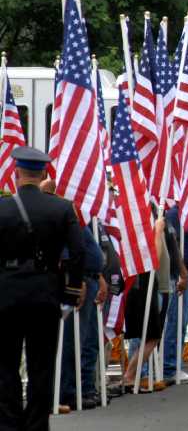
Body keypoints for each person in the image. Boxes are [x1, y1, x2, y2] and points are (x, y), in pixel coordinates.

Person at [0, 147, 85, 430]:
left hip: (6, 295)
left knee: (6, 366)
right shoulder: (61, 208)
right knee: (42, 367)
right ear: (44, 174)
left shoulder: (2, 208)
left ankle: (9, 424)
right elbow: (78, 254)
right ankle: (36, 425)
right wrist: (71, 292)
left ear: (15, 172)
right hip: (45, 294)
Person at [123, 206, 183, 392]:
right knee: (150, 335)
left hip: (162, 287)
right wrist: (157, 230)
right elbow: (154, 259)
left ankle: (136, 374)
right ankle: (132, 375)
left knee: (152, 335)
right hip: (152, 287)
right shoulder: (149, 234)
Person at [58, 228, 108, 411]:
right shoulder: (67, 212)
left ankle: (85, 388)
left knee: (89, 340)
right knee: (73, 340)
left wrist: (100, 276)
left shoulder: (80, 217)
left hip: (91, 278)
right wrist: (75, 279)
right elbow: (67, 251)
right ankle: (68, 392)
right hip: (80, 279)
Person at [161, 204, 188, 385]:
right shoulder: (174, 215)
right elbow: (174, 245)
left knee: (182, 321)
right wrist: (182, 272)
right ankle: (170, 367)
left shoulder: (187, 216)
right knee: (176, 322)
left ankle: (174, 365)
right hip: (181, 276)